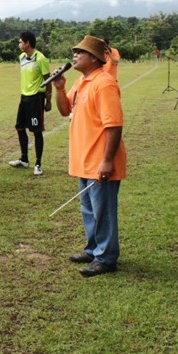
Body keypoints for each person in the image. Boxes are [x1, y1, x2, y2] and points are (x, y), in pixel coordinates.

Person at [54, 35, 127, 278]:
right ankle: (94, 249)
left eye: (80, 52)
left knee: (103, 211)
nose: (74, 55)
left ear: (94, 58)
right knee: (89, 211)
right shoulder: (83, 82)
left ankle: (106, 258)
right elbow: (65, 110)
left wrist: (107, 160)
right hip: (84, 161)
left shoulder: (104, 83)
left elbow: (114, 125)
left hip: (99, 162)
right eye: (75, 51)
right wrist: (60, 88)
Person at [9, 31, 51, 176]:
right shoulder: (21, 57)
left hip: (36, 98)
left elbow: (48, 79)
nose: (19, 44)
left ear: (27, 43)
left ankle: (38, 164)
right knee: (20, 127)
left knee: (36, 130)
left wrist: (48, 100)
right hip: (24, 97)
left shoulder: (41, 59)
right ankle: (24, 159)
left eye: (20, 42)